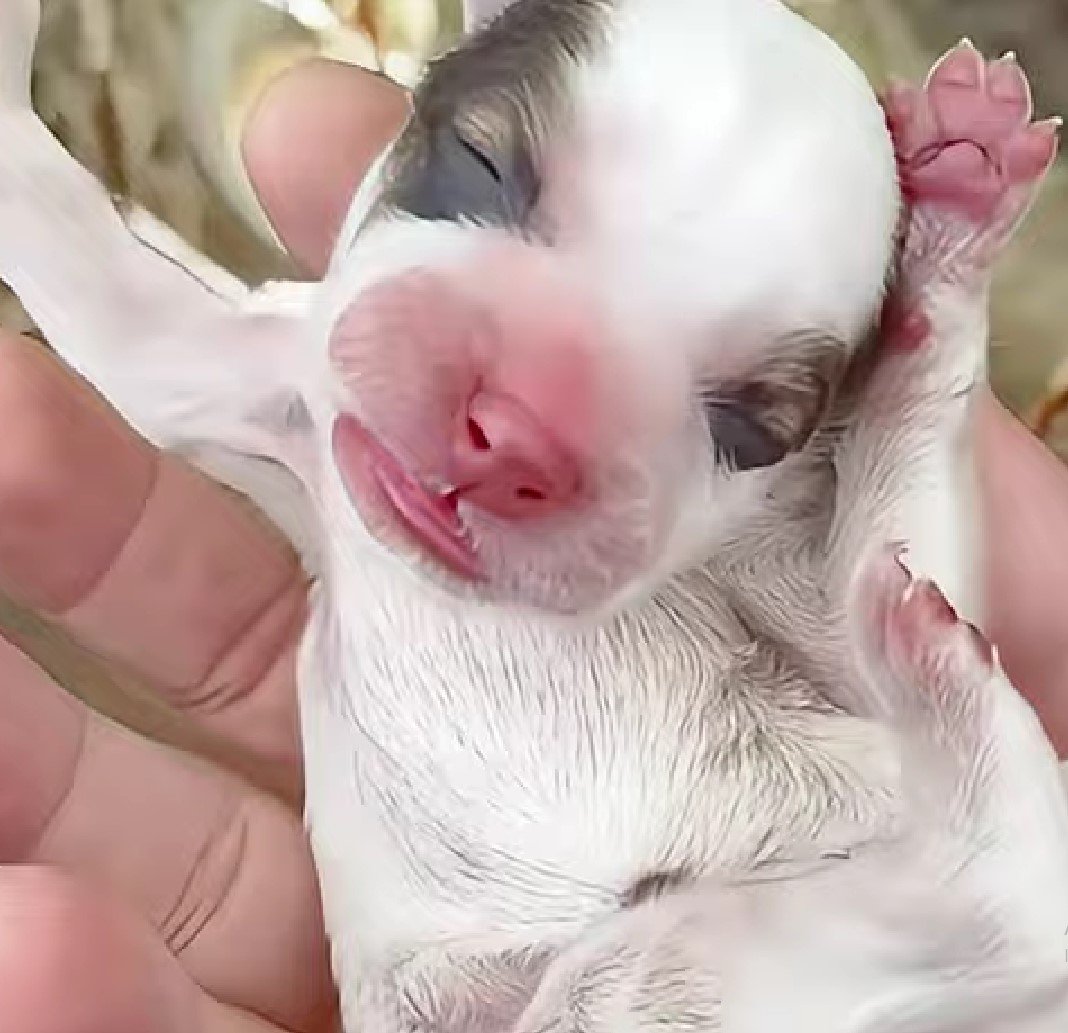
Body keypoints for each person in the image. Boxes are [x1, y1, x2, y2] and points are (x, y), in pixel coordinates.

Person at [0, 56, 1065, 1033]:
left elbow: (888, 618)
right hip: (515, 979)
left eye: (738, 417)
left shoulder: (727, 532)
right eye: (483, 181)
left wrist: (920, 356)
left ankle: (988, 898)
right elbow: (141, 331)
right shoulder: (307, 376)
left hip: (857, 891)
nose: (521, 424)